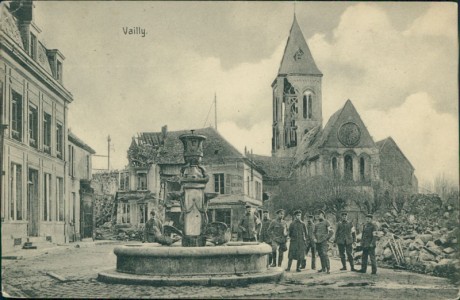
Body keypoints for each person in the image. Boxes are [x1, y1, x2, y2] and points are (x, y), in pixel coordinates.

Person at [314, 209, 333, 274]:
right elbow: (314, 233)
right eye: (318, 215)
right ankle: (323, 268)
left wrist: (326, 238)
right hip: (318, 242)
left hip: (324, 242)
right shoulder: (316, 224)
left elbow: (331, 232)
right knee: (320, 255)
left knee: (325, 254)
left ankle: (328, 268)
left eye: (320, 215)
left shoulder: (327, 222)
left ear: (323, 215)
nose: (319, 216)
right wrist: (314, 238)